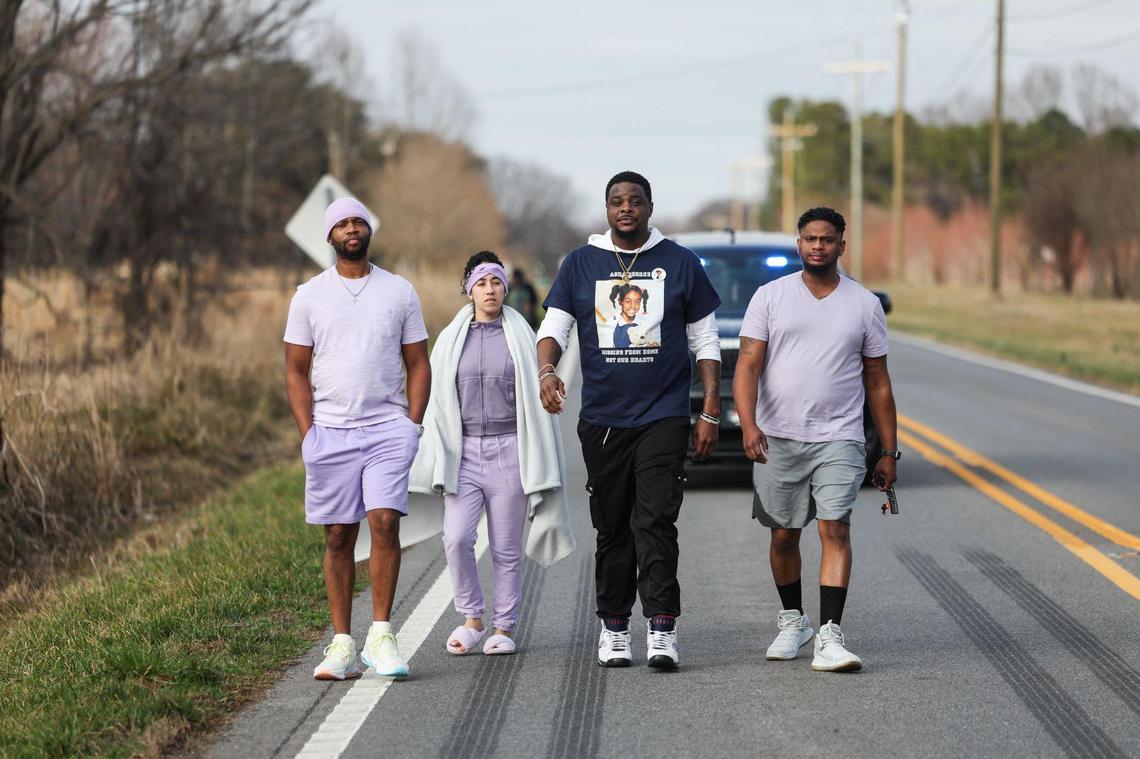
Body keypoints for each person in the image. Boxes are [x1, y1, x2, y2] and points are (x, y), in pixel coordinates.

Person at [536, 171, 721, 670]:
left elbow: (704, 341)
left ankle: (662, 628)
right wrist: (547, 371)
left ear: (650, 207)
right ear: (607, 209)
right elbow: (554, 326)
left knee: (656, 520)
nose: (626, 209)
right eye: (617, 201)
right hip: (602, 420)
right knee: (613, 527)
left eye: (635, 201)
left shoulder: (680, 262)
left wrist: (708, 408)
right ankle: (614, 626)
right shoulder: (580, 263)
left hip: (663, 415)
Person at [732, 206, 899, 673]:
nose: (818, 246)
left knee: (834, 528)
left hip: (840, 437)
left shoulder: (863, 303)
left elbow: (879, 382)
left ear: (842, 245)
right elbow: (747, 365)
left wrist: (887, 450)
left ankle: (829, 635)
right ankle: (794, 622)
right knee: (784, 536)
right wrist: (749, 424)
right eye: (810, 239)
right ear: (799, 243)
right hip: (779, 437)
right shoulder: (770, 296)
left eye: (827, 239)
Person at [284, 197, 431, 681]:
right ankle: (343, 645)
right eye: (342, 224)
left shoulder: (399, 291)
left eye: (358, 222)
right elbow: (295, 370)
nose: (351, 229)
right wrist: (310, 436)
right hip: (331, 433)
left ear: (369, 231)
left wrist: (411, 425)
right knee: (339, 534)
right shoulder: (308, 296)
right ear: (330, 237)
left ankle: (382, 637)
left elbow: (418, 364)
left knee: (385, 523)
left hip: (388, 429)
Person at [410, 251, 574, 656]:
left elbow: (537, 392)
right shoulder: (449, 339)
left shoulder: (522, 336)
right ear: (469, 289)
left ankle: (503, 626)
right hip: (463, 453)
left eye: (496, 282)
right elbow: (437, 400)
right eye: (482, 283)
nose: (490, 290)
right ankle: (472, 619)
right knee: (457, 537)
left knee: (504, 546)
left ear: (505, 288)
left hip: (509, 450)